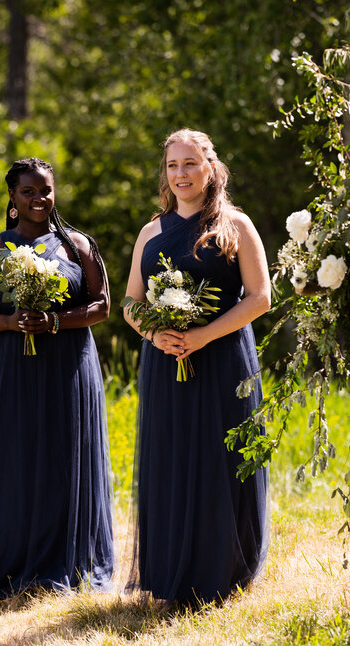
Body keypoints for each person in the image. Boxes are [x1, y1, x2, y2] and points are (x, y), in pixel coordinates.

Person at [122, 128, 270, 606]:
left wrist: (204, 335)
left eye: (190, 164)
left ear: (211, 167)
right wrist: (153, 332)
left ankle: (223, 570)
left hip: (224, 359)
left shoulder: (236, 225)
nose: (181, 174)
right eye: (172, 166)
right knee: (172, 459)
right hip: (166, 363)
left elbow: (261, 298)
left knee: (219, 462)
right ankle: (171, 569)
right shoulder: (151, 230)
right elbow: (130, 303)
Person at [0, 157, 114, 599]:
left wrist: (55, 322)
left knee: (65, 458)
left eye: (45, 190)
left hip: (67, 366)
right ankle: (10, 565)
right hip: (9, 371)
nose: (38, 199)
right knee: (14, 461)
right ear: (12, 196)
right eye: (28, 192)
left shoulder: (78, 245)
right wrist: (11, 323)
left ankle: (68, 562)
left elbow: (102, 306)